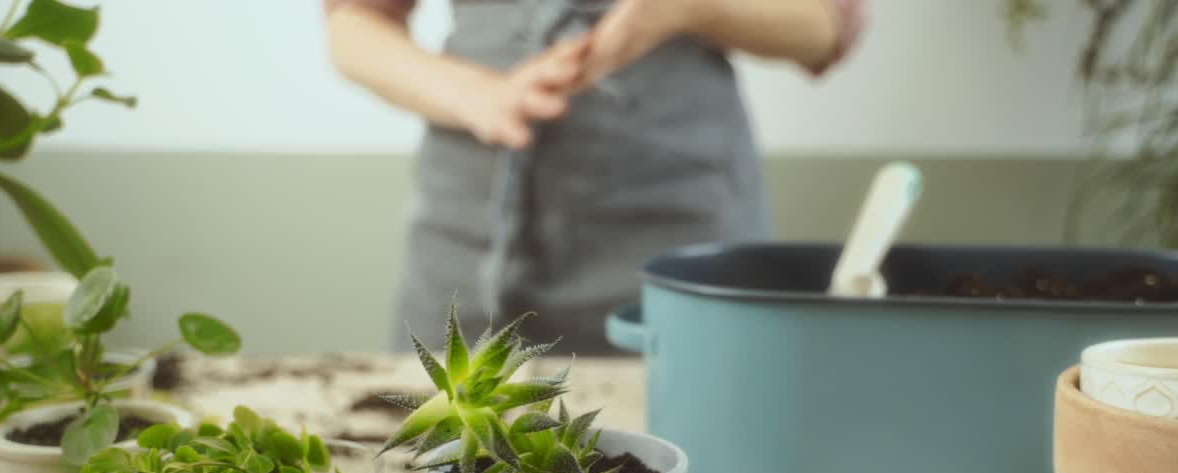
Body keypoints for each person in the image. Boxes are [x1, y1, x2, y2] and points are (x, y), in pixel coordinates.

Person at [324, 0, 865, 353]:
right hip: (464, 235)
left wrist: (684, 8)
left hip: (681, 230)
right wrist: (480, 96)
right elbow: (354, 23)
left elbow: (823, 25)